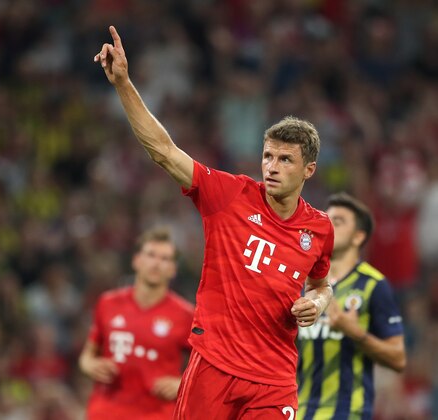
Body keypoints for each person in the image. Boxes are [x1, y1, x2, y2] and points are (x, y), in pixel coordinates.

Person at [94, 26, 334, 419]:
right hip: (214, 366)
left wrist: (318, 302)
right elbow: (164, 152)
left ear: (309, 169)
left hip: (274, 380)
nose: (272, 167)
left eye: (285, 160)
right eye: (268, 156)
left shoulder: (320, 228)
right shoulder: (230, 195)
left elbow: (322, 283)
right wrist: (123, 83)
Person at [297, 192, 406, 419]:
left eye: (338, 222)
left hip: (347, 413)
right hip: (299, 411)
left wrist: (355, 333)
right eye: (327, 220)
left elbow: (398, 358)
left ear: (358, 237)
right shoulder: (302, 280)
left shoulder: (373, 285)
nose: (328, 226)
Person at [79, 226, 194, 419]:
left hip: (157, 413)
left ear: (173, 269)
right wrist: (91, 365)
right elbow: (87, 355)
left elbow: (205, 367)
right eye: (151, 255)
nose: (156, 264)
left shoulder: (186, 315)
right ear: (136, 261)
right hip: (105, 411)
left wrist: (182, 384)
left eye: (165, 259)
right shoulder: (108, 303)